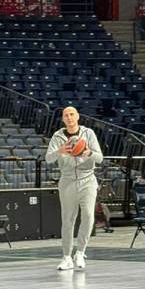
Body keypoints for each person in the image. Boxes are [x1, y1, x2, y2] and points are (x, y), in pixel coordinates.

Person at [45, 105, 103, 271]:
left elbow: (99, 158)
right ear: (63, 119)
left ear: (77, 116)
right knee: (68, 220)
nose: (69, 117)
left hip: (87, 180)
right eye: (66, 115)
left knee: (88, 215)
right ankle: (66, 257)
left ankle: (80, 252)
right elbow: (48, 158)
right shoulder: (57, 136)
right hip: (67, 181)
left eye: (72, 114)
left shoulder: (88, 133)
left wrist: (88, 153)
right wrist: (60, 151)